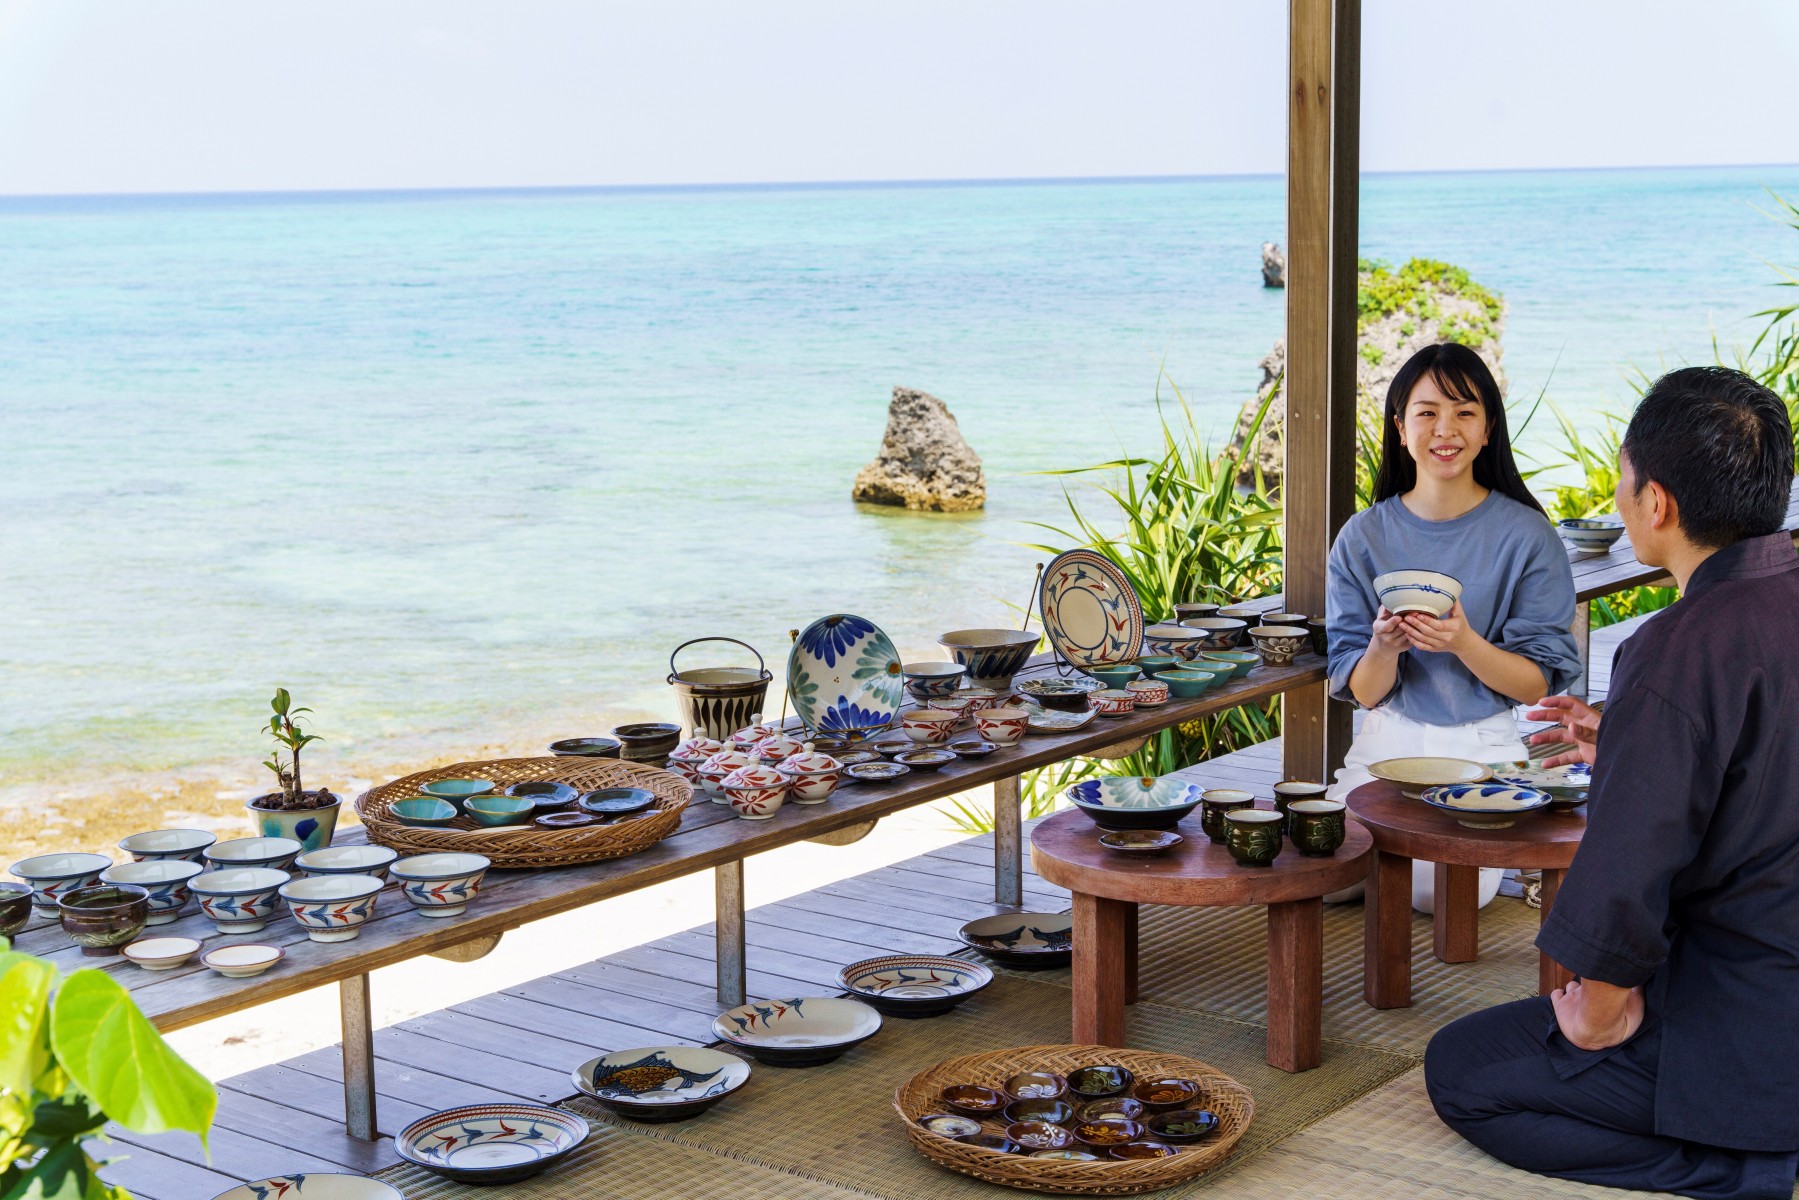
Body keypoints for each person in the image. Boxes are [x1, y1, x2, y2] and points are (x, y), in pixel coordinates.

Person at [1424, 366, 1799, 1198]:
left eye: (1623, 481)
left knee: (1462, 1070)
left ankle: (1744, 1165)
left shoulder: (1675, 647)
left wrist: (1598, 1012)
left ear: (1655, 504)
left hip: (1744, 1019)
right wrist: (1634, 737)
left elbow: (1633, 860)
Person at [1323, 342, 1581, 910]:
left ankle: (1387, 869)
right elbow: (1363, 692)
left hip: (1482, 745)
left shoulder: (1528, 536)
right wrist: (1382, 648)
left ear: (1488, 429)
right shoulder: (1362, 536)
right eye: (1428, 412)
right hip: (1385, 742)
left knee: (1438, 895)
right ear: (1399, 426)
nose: (1447, 429)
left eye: (1465, 412)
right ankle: (1364, 866)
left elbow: (1536, 683)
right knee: (1316, 866)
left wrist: (1464, 643)